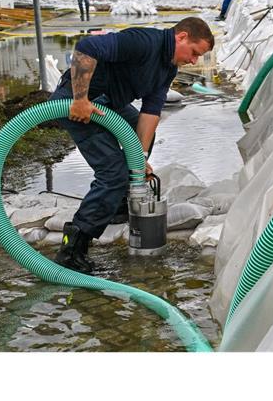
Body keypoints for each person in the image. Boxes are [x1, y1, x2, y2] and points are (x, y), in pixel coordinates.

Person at [49, 17, 214, 273]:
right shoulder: (143, 42)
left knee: (138, 129)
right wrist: (80, 98)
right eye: (194, 53)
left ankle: (114, 205)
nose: (193, 61)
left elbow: (150, 113)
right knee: (112, 173)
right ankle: (73, 247)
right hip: (77, 103)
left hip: (108, 104)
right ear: (181, 37)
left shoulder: (167, 68)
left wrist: (140, 160)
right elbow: (87, 47)